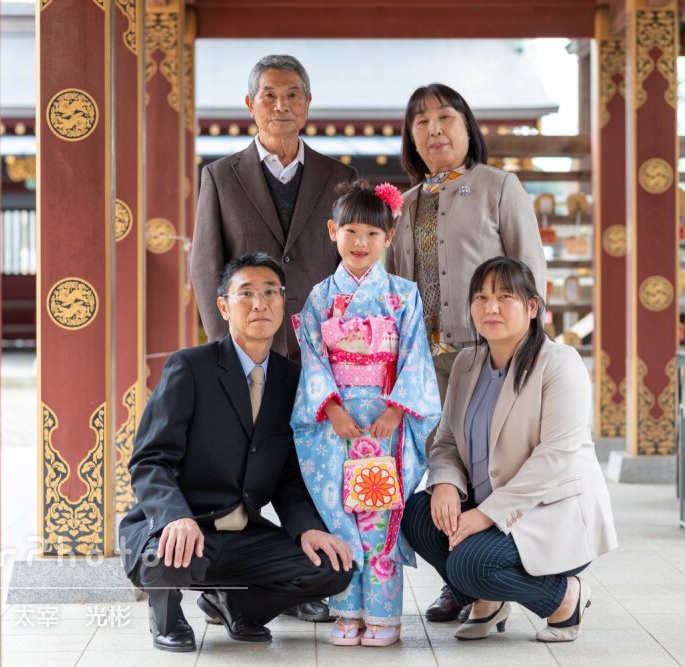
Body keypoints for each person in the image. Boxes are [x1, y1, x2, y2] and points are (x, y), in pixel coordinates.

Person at [119, 253, 354, 653]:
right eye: (245, 293)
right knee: (168, 555)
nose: (259, 303)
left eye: (270, 293)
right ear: (224, 306)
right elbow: (150, 460)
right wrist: (175, 518)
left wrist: (306, 527)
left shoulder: (292, 379)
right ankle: (167, 614)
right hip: (182, 526)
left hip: (243, 534)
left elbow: (288, 477)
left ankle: (235, 602)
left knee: (333, 568)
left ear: (283, 303)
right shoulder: (189, 368)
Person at [384, 82, 548, 623]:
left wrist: (528, 351)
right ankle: (457, 581)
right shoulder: (404, 205)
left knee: (488, 469)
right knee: (439, 474)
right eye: (421, 121)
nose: (434, 129)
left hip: (487, 358)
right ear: (410, 136)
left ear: (467, 127)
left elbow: (530, 273)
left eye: (445, 117)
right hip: (423, 368)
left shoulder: (499, 187)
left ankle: (495, 575)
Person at [400, 257, 617, 643]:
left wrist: (485, 515)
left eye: (504, 297)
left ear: (533, 308)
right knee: (417, 514)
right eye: (480, 298)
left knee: (469, 563)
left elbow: (554, 459)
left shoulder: (560, 364)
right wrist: (446, 485)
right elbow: (447, 440)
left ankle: (564, 598)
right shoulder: (467, 363)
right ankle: (489, 599)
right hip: (490, 511)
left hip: (549, 513)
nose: (491, 308)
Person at [291, 181, 441, 646]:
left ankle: (383, 617)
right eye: (350, 231)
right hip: (336, 424)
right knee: (340, 514)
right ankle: (346, 610)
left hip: (385, 422)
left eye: (373, 234)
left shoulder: (403, 295)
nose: (360, 243)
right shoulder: (320, 297)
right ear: (333, 231)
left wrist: (398, 411)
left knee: (379, 514)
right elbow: (314, 357)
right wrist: (331, 407)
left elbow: (416, 356)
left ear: (389, 238)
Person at [192, 54, 356, 364]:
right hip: (247, 343)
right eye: (269, 95)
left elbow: (349, 264)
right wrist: (223, 344)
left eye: (292, 95)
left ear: (307, 102)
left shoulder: (339, 178)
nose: (281, 105)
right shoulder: (220, 176)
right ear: (250, 104)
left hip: (320, 347)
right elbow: (205, 265)